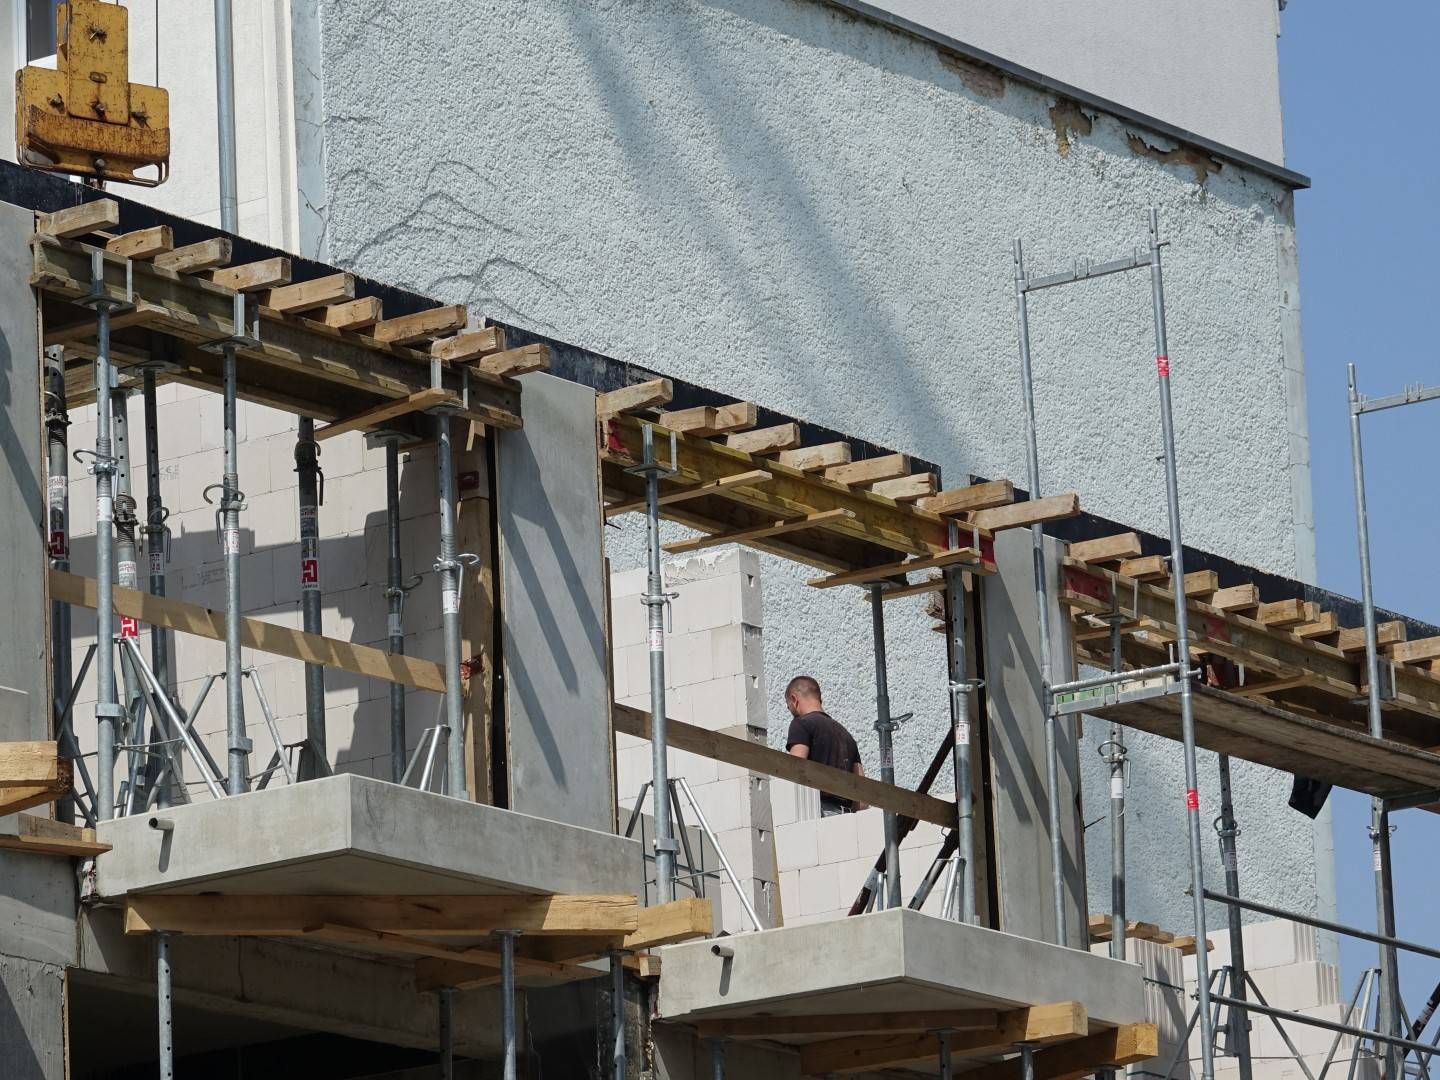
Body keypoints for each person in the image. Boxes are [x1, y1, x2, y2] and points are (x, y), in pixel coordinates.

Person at [784, 675, 867, 816]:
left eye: (788, 707)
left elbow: (795, 769)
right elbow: (862, 798)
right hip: (846, 818)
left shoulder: (801, 724)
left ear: (794, 699)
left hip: (819, 812)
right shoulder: (847, 736)